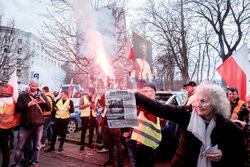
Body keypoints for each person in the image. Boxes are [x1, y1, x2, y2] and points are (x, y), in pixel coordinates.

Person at [135, 82, 246, 167]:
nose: (198, 105)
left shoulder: (228, 126)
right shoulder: (186, 113)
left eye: (203, 101)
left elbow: (239, 153)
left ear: (215, 104)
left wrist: (223, 153)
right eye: (196, 100)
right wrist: (135, 96)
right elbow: (160, 108)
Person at [13, 78, 51, 167]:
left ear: (38, 86)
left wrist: (44, 102)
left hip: (38, 124)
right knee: (20, 146)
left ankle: (35, 162)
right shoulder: (23, 95)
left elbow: (49, 108)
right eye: (33, 85)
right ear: (29, 85)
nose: (34, 87)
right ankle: (17, 163)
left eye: (36, 86)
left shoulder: (41, 95)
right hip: (25, 124)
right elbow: (18, 109)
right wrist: (28, 104)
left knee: (37, 146)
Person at [131, 84, 162, 167]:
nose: (143, 93)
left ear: (153, 93)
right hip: (145, 144)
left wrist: (135, 93)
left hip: (145, 146)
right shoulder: (151, 105)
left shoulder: (151, 106)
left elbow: (136, 105)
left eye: (146, 91)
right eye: (143, 91)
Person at [99, 95, 124, 167]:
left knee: (118, 143)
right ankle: (111, 160)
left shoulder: (117, 102)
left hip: (115, 125)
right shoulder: (105, 104)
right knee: (110, 144)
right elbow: (101, 102)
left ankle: (121, 162)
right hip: (107, 125)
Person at [0, 83, 16, 167]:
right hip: (8, 128)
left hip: (1, 128)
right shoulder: (11, 101)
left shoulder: (1, 102)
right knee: (5, 148)